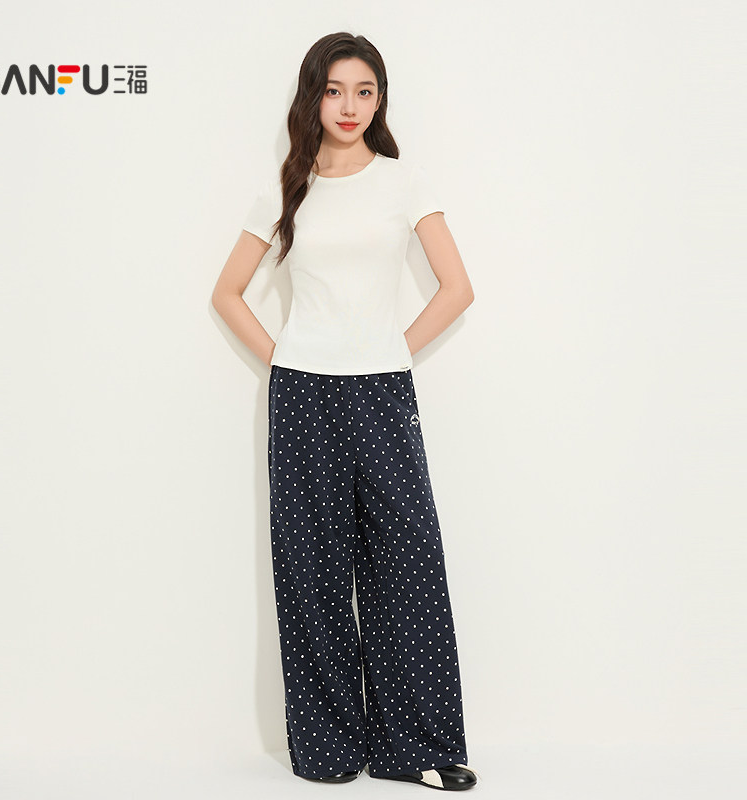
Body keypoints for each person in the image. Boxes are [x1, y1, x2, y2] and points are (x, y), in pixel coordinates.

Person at [211, 32, 479, 791]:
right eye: (334, 90)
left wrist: (390, 351)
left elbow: (458, 288)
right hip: (302, 394)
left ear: (380, 99)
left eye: (365, 91)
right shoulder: (287, 190)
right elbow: (226, 292)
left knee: (407, 563)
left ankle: (417, 747)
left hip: (382, 390)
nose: (350, 106)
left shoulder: (403, 182)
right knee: (312, 571)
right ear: (313, 97)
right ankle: (328, 749)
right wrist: (286, 359)